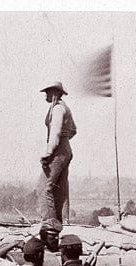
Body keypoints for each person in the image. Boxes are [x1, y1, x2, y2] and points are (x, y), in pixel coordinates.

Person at [39, 81, 76, 225]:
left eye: (48, 92)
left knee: (45, 188)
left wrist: (48, 153)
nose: (46, 95)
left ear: (55, 93)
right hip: (65, 149)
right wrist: (65, 140)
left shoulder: (58, 109)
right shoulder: (62, 108)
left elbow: (55, 132)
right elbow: (73, 130)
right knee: (61, 187)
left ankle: (50, 224)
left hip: (58, 150)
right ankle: (63, 221)